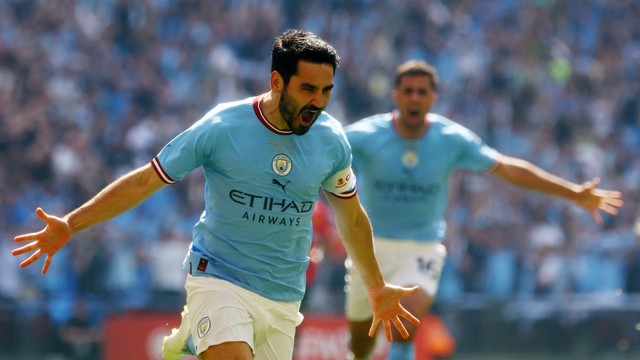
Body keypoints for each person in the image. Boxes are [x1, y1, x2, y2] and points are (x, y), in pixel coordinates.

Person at [12, 29, 420, 360]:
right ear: (277, 81)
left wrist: (377, 288)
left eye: (326, 91)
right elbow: (144, 181)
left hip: (283, 294)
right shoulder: (221, 127)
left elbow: (351, 217)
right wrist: (71, 223)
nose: (318, 102)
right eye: (308, 89)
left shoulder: (332, 141)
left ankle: (190, 339)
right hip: (218, 276)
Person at [343, 60, 624, 360]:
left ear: (433, 98)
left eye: (422, 91)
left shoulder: (451, 139)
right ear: (395, 95)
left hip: (420, 250)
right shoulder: (365, 136)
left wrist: (573, 193)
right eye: (408, 91)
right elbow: (321, 158)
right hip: (369, 250)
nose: (415, 97)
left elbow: (510, 169)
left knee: (404, 325)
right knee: (362, 343)